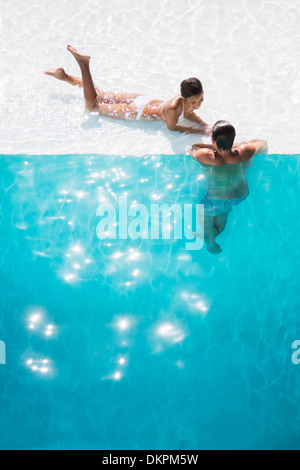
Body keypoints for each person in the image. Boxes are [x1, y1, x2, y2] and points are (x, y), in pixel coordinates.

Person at [44, 45, 211, 134]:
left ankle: (66, 78)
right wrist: (198, 132)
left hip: (144, 100)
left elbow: (190, 112)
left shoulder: (186, 96)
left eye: (200, 99)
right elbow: (173, 128)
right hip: (137, 110)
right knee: (92, 106)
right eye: (194, 101)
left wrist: (203, 124)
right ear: (184, 98)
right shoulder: (173, 108)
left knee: (99, 94)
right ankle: (83, 65)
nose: (198, 104)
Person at [189, 120, 268, 254]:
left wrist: (213, 146)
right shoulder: (245, 151)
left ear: (213, 139)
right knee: (225, 212)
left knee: (205, 212)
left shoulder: (206, 156)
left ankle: (211, 237)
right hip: (240, 195)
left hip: (217, 199)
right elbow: (263, 143)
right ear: (233, 138)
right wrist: (240, 144)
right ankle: (213, 236)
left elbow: (192, 148)